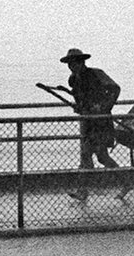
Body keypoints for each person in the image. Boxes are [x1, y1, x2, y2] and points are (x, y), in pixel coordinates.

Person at [49, 49, 121, 200]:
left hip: (100, 121)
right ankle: (126, 180)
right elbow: (80, 98)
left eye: (74, 63)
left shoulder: (96, 74)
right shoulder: (74, 80)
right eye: (70, 64)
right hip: (87, 121)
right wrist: (78, 106)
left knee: (87, 154)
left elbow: (115, 89)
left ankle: (84, 190)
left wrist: (103, 106)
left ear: (82, 62)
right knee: (101, 156)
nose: (72, 67)